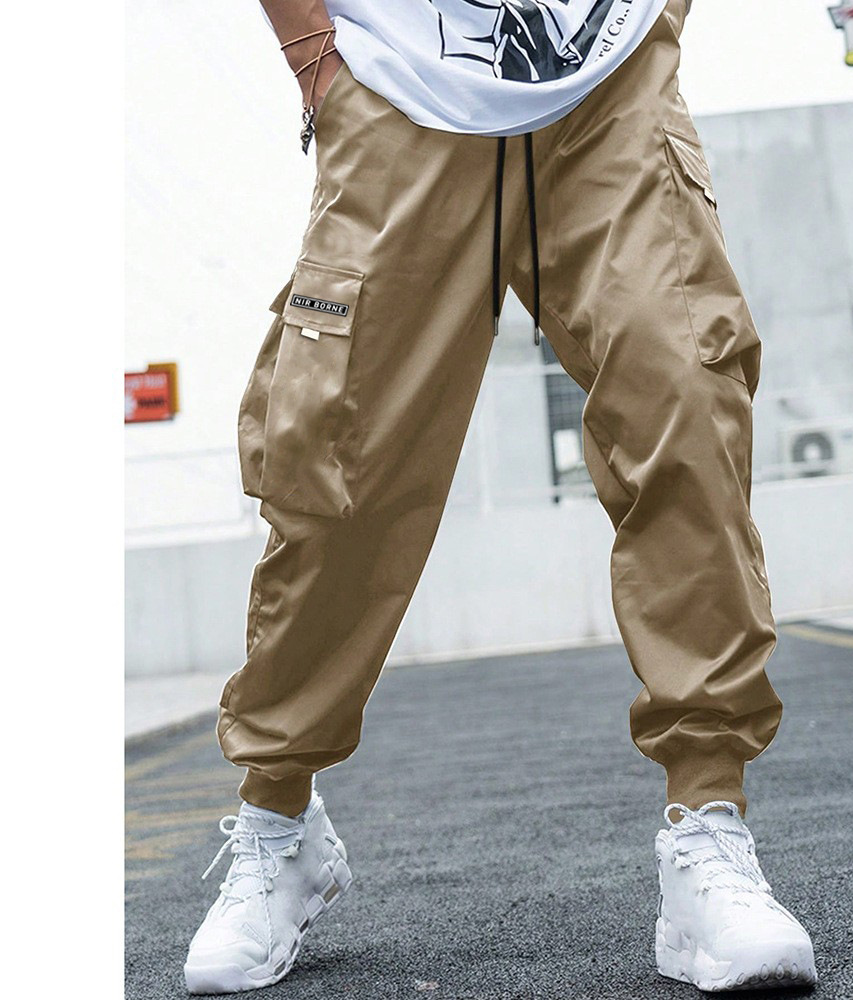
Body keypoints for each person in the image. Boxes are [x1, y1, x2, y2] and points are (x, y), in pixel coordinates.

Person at [184, 1, 817, 993]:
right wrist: (313, 55)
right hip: (400, 83)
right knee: (337, 464)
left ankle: (708, 824)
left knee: (686, 403)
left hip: (607, 69)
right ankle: (278, 821)